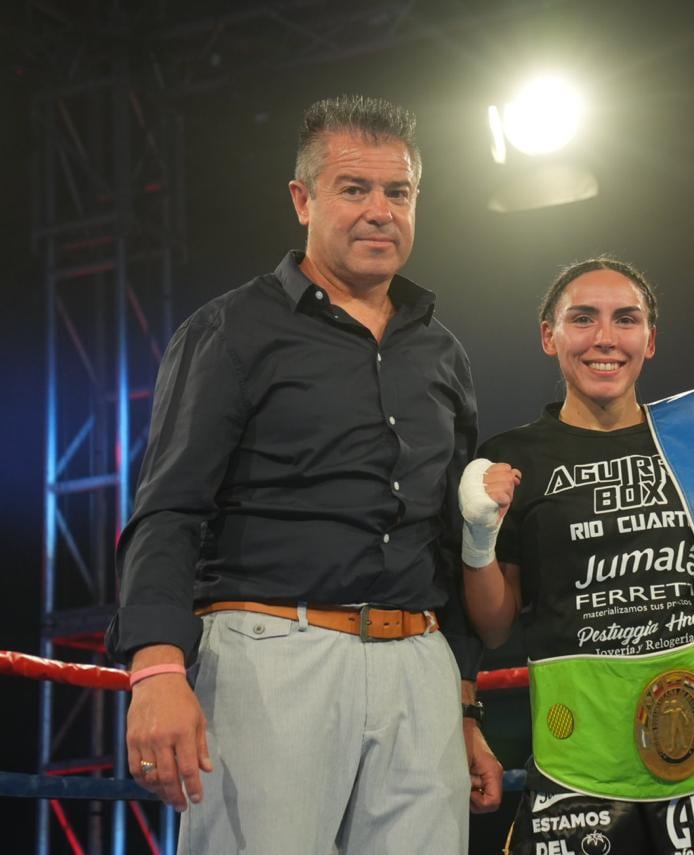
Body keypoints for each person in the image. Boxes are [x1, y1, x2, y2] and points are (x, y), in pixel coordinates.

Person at [105, 94, 502, 853]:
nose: (380, 210)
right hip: (268, 656)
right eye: (355, 189)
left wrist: (465, 708)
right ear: (303, 198)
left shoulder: (441, 351)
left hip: (420, 663)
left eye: (399, 192)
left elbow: (447, 540)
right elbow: (169, 508)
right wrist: (155, 667)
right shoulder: (232, 330)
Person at [461, 257, 694, 855]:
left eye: (626, 319)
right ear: (550, 336)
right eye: (583, 319)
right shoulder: (514, 457)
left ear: (650, 339)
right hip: (581, 767)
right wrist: (478, 539)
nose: (605, 339)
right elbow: (494, 626)